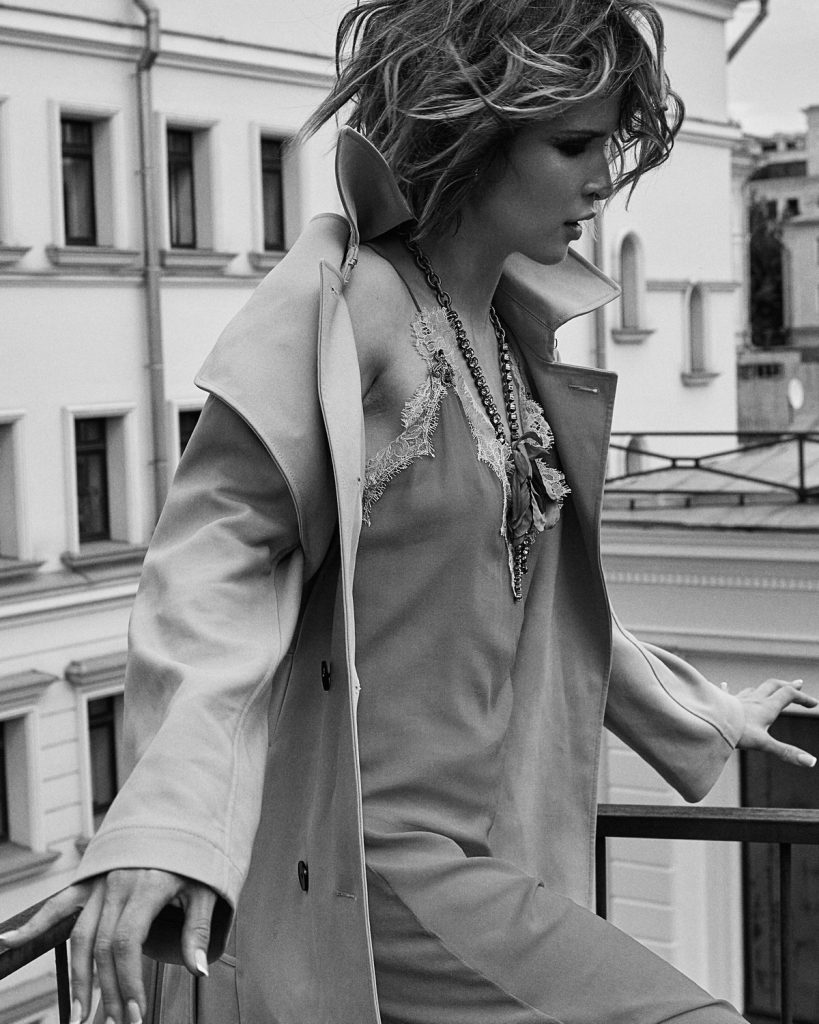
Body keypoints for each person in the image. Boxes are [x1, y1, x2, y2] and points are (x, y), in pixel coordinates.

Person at [4, 1, 816, 1022]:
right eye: (572, 145)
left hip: (468, 869)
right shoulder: (357, 300)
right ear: (469, 136)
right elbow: (215, 554)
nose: (602, 181)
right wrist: (163, 824)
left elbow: (535, 602)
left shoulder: (512, 341)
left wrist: (707, 712)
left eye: (608, 146)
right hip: (367, 875)